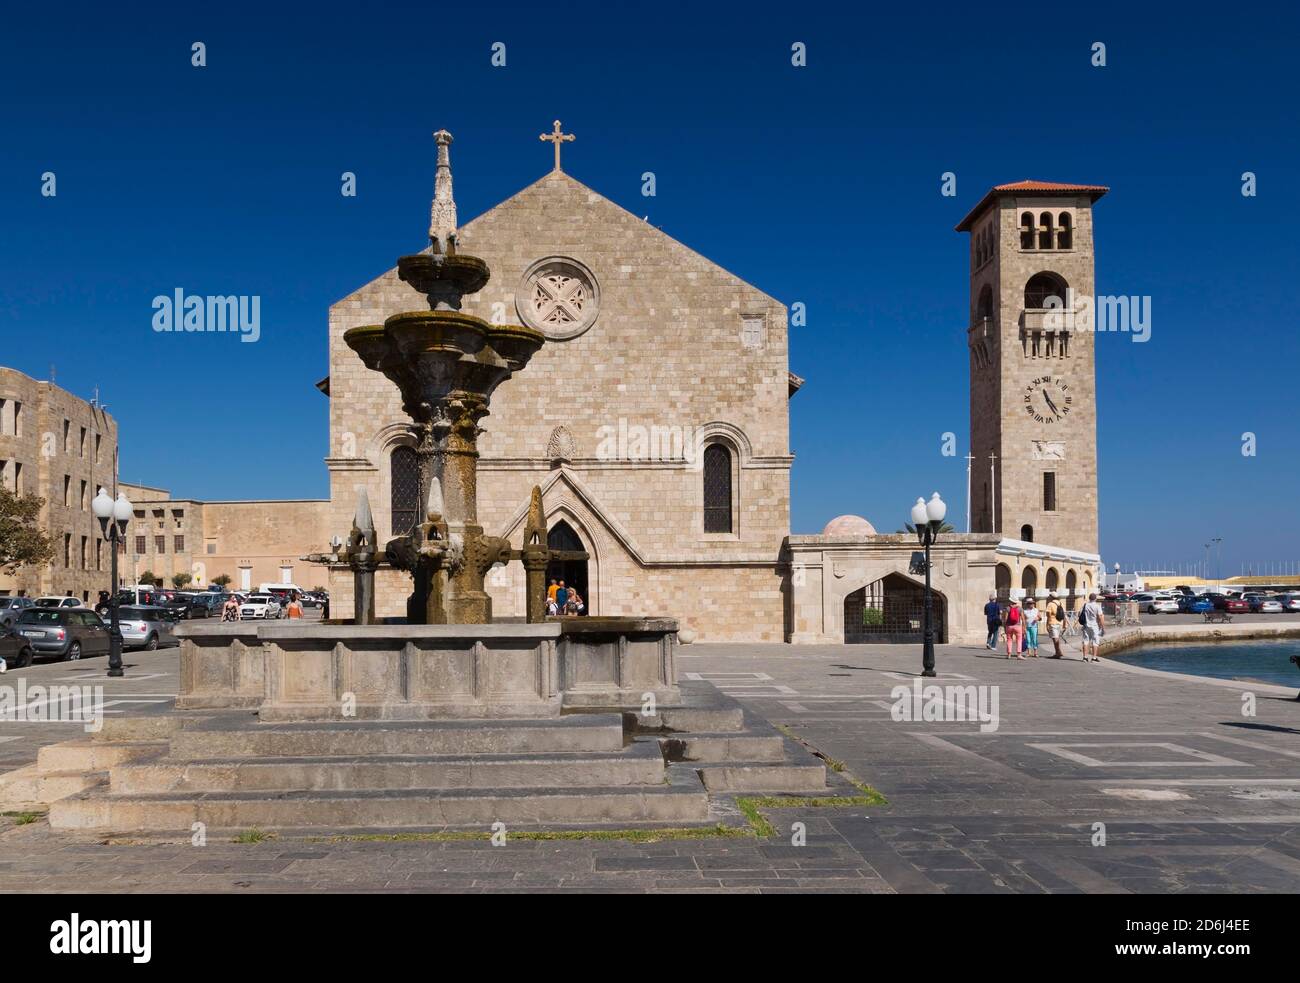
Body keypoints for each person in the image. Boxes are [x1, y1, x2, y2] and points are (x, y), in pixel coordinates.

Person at [1081, 592, 1105, 662]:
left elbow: (1080, 614)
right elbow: (1100, 617)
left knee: (1086, 641)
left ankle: (1085, 657)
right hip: (1094, 626)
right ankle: (1094, 658)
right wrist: (1102, 627)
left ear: (1089, 598)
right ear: (1095, 599)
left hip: (1086, 625)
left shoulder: (1085, 605)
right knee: (1095, 642)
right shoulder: (1097, 606)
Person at [1044, 592, 1065, 659]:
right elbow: (1064, 615)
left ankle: (1058, 652)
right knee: (1057, 638)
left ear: (1051, 597)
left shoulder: (1050, 604)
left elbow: (1048, 615)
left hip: (1053, 623)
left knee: (1055, 638)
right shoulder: (1061, 603)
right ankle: (1058, 652)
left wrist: (1047, 624)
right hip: (1060, 623)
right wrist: (1065, 624)